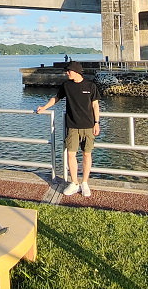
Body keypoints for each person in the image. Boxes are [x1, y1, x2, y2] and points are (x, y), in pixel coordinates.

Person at [36, 61, 100, 197]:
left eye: (68, 71)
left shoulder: (91, 86)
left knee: (87, 154)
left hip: (88, 126)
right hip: (72, 126)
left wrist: (97, 122)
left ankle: (85, 183)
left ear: (76, 71)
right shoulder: (67, 85)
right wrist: (44, 108)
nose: (67, 73)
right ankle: (74, 183)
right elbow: (56, 98)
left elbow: (95, 105)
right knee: (71, 154)